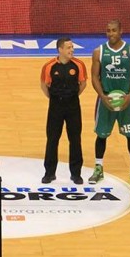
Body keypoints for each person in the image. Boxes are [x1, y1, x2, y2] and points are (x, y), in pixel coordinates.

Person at [90, 20, 130, 186]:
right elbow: (94, 77)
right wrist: (102, 96)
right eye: (108, 31)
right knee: (101, 135)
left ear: (121, 30)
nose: (111, 34)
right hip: (106, 99)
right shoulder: (99, 52)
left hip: (126, 100)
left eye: (114, 30)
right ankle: (98, 168)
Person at [41, 37, 88, 184]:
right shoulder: (49, 66)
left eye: (72, 47)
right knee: (52, 139)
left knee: (75, 139)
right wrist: (56, 98)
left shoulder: (79, 65)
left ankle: (76, 174)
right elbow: (44, 86)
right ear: (60, 49)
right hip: (55, 106)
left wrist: (71, 96)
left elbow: (83, 83)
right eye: (68, 48)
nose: (71, 50)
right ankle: (49, 173)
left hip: (73, 105)